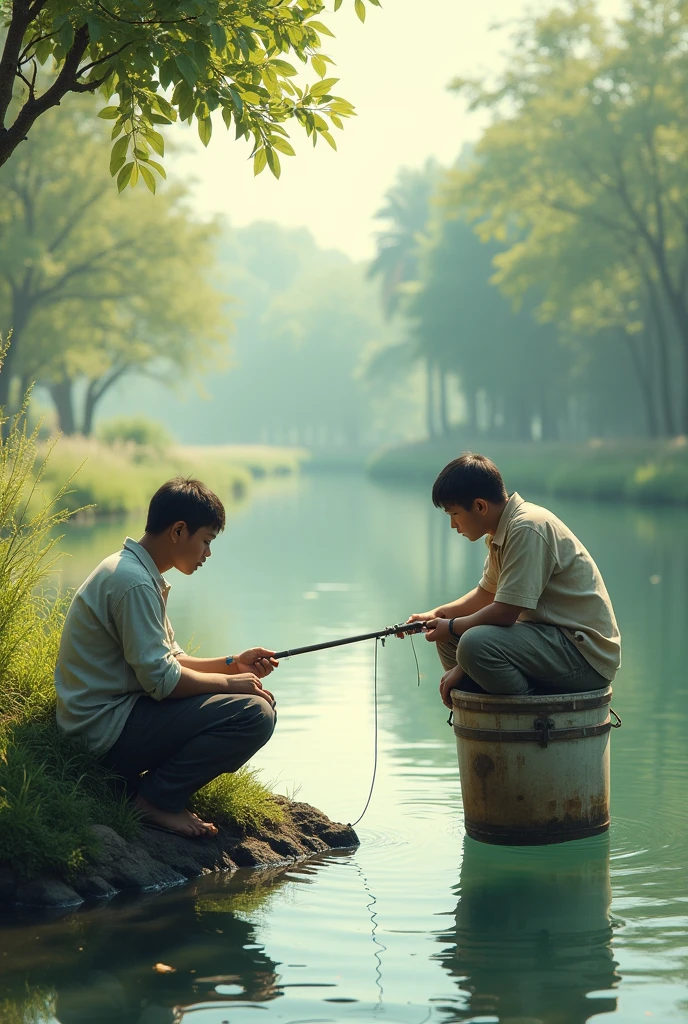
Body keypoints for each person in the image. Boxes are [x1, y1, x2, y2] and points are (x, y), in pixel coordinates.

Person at [54, 477, 278, 838]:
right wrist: (231, 682)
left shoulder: (134, 570)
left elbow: (170, 658)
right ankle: (156, 801)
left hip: (110, 718)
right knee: (254, 714)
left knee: (247, 699)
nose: (207, 553)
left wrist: (233, 663)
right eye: (206, 541)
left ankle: (155, 790)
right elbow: (162, 681)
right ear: (178, 531)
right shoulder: (134, 583)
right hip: (100, 733)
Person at [405, 454, 620, 708]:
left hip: (582, 656)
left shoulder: (526, 528)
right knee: (446, 636)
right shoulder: (501, 530)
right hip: (549, 641)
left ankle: (529, 710)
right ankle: (482, 710)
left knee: (472, 643)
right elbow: (486, 594)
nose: (453, 525)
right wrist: (435, 615)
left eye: (454, 514)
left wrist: (452, 628)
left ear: (480, 506)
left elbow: (506, 613)